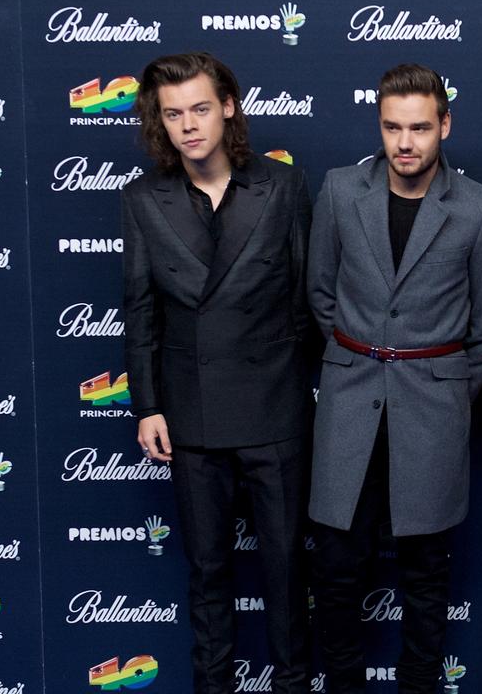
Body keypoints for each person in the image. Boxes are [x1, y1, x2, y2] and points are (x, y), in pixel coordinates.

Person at [306, 63, 482, 694]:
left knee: (426, 574)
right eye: (392, 127)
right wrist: (359, 360)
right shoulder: (341, 191)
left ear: (444, 125)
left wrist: (450, 387)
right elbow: (319, 292)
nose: (405, 143)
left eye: (420, 128)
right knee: (338, 570)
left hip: (434, 408)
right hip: (348, 403)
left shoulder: (479, 208)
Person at [122, 51, 313, 694]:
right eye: (173, 114)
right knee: (207, 575)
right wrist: (147, 406)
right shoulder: (143, 199)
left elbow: (304, 300)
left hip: (275, 408)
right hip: (191, 414)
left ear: (228, 107)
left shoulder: (282, 186)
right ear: (160, 122)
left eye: (200, 109)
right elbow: (141, 309)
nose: (189, 126)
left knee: (286, 574)